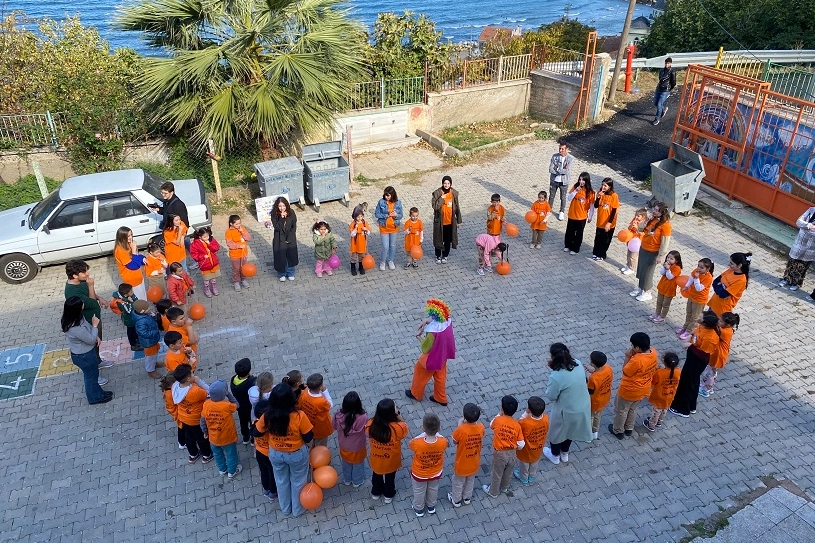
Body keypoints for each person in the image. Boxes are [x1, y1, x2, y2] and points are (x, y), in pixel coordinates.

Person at [253, 383, 313, 517]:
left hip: (275, 453)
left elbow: (256, 432)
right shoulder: (299, 416)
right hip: (297, 454)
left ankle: (285, 509)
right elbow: (309, 437)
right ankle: (298, 510)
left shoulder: (267, 416)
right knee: (298, 481)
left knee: (281, 480)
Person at [542, 343, 592, 463]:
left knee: (557, 433)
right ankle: (565, 453)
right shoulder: (578, 363)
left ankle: (555, 456)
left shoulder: (556, 375)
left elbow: (551, 396)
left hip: (566, 410)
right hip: (582, 406)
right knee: (570, 431)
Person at [61, 296, 113, 404]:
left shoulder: (76, 317)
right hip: (84, 356)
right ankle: (94, 398)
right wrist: (95, 326)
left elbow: (87, 327)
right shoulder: (75, 328)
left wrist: (95, 335)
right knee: (91, 377)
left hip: (85, 354)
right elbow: (89, 340)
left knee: (92, 375)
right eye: (81, 304)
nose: (84, 304)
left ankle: (99, 393)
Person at [406, 299, 456, 406]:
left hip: (432, 358)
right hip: (443, 355)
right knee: (440, 375)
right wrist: (427, 321)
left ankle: (416, 394)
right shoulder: (447, 321)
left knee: (419, 372)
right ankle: (441, 398)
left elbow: (426, 348)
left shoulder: (432, 332)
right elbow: (438, 325)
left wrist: (418, 336)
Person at [670, 312, 721, 417]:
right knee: (693, 381)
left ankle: (683, 409)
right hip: (692, 357)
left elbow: (703, 354)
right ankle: (692, 406)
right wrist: (690, 337)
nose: (698, 318)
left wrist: (690, 345)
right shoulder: (702, 327)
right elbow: (695, 333)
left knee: (687, 383)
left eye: (700, 317)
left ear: (706, 323)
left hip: (697, 361)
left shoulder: (711, 337)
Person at [65, 260, 111, 374]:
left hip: (94, 318)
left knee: (97, 343)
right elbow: (91, 303)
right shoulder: (72, 292)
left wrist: (100, 298)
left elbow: (91, 295)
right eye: (84, 272)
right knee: (92, 345)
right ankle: (94, 373)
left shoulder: (81, 282)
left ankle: (98, 361)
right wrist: (91, 285)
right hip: (89, 322)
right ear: (75, 276)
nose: (87, 274)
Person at [609, 332, 658, 439]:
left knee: (621, 410)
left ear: (638, 348)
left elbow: (626, 371)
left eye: (632, 345)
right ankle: (629, 428)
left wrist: (627, 356)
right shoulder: (653, 352)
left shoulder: (637, 360)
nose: (631, 347)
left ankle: (618, 430)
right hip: (643, 389)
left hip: (629, 390)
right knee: (633, 409)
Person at [366, 398, 409, 503]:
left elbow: (367, 434)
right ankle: (388, 495)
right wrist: (398, 414)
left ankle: (376, 492)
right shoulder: (398, 427)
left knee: (376, 475)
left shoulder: (371, 424)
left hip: (376, 458)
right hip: (391, 459)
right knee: (390, 477)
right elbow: (405, 427)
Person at [481, 395, 523, 498]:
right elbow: (521, 444)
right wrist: (515, 447)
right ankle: (505, 487)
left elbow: (491, 425)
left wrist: (499, 414)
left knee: (497, 473)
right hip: (512, 453)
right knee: (508, 472)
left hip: (499, 453)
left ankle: (493, 492)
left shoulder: (498, 420)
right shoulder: (517, 425)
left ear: (502, 409)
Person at [630, 202, 672, 302]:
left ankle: (647, 292)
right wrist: (646, 221)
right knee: (641, 269)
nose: (654, 211)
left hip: (653, 251)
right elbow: (641, 229)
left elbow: (665, 242)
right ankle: (640, 287)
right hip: (644, 247)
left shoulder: (666, 225)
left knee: (648, 272)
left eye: (657, 210)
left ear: (662, 213)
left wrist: (660, 255)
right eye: (654, 208)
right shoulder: (652, 219)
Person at [172, 363, 213, 464]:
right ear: (188, 379)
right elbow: (210, 392)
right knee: (201, 438)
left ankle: (193, 454)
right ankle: (206, 455)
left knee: (189, 436)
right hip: (196, 420)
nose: (194, 374)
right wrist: (199, 381)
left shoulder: (175, 386)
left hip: (183, 417)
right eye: (192, 374)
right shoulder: (195, 391)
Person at [201, 380, 242, 479]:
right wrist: (229, 395)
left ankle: (222, 470)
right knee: (231, 455)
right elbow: (237, 405)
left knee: (217, 454)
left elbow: (202, 421)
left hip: (213, 438)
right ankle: (232, 471)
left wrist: (205, 432)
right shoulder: (226, 405)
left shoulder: (206, 404)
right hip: (227, 437)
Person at [148, 181, 194, 269]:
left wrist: (182, 234)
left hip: (178, 232)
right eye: (162, 193)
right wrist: (158, 209)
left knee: (186, 246)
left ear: (172, 192)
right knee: (186, 246)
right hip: (171, 230)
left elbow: (184, 221)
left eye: (165, 193)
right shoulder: (167, 200)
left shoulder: (178, 204)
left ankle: (197, 259)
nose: (163, 195)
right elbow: (167, 212)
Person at [409, 413, 447, 517]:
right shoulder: (443, 441)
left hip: (419, 473)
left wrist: (421, 436)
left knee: (419, 491)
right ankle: (431, 506)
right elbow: (446, 444)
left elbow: (410, 445)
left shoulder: (417, 443)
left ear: (423, 428)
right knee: (433, 489)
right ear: (439, 428)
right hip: (435, 472)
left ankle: (419, 508)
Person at [448, 403, 484, 508]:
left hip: (462, 464)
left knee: (458, 482)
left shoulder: (461, 429)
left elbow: (455, 441)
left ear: (464, 417)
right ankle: (467, 498)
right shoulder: (481, 427)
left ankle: (456, 500)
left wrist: (460, 424)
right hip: (474, 462)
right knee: (470, 481)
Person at [333, 391, 369, 488]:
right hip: (358, 447)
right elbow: (367, 432)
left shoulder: (338, 414)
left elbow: (334, 426)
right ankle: (357, 481)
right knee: (358, 464)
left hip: (344, 445)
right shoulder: (363, 417)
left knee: (346, 462)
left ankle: (347, 479)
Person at [699, 312, 740, 397]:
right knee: (712, 372)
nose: (718, 322)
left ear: (728, 324)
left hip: (718, 355)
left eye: (720, 321)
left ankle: (705, 390)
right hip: (719, 354)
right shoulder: (728, 329)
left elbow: (713, 328)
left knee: (709, 373)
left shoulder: (724, 332)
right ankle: (709, 387)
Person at [514, 396, 549, 485]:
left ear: (529, 409)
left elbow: (518, 424)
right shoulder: (545, 418)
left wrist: (526, 413)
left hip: (526, 450)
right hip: (538, 448)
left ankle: (524, 477)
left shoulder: (525, 422)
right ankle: (532, 476)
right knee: (534, 463)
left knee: (524, 465)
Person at [779, 207, 815, 292]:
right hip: (799, 244)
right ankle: (786, 279)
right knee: (791, 263)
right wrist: (808, 225)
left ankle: (796, 283)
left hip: (810, 248)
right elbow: (798, 222)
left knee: (802, 267)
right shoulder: (811, 210)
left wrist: (805, 227)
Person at [677, 258, 714, 340]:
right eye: (698, 266)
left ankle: (689, 331)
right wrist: (687, 286)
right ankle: (685, 327)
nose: (698, 269)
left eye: (701, 268)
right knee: (689, 313)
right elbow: (691, 279)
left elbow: (699, 288)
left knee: (695, 317)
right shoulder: (696, 271)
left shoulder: (708, 278)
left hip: (699, 300)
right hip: (691, 296)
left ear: (707, 269)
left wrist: (697, 279)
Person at [644, 352, 681, 431]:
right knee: (664, 409)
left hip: (659, 395)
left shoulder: (660, 373)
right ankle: (659, 422)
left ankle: (651, 424)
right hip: (670, 394)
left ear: (664, 362)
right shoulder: (678, 372)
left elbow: (653, 382)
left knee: (656, 410)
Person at [296, 373, 334, 448]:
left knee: (312, 441)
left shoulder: (304, 393)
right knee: (320, 445)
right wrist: (325, 391)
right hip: (320, 428)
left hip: (309, 423)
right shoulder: (321, 402)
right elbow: (330, 405)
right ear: (320, 387)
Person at [431, 175, 463, 264]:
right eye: (445, 183)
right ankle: (438, 255)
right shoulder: (437, 193)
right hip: (440, 222)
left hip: (450, 222)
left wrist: (459, 221)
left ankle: (445, 255)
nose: (446, 185)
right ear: (442, 183)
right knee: (438, 239)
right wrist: (442, 198)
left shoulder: (453, 193)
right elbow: (435, 206)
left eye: (448, 183)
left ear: (450, 184)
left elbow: (457, 208)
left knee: (448, 240)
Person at [563, 172, 595, 255]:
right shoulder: (575, 187)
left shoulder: (590, 192)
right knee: (570, 231)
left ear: (586, 181)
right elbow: (569, 198)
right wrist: (575, 191)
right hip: (572, 214)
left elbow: (592, 206)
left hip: (582, 216)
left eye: (583, 180)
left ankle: (576, 248)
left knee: (579, 233)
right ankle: (568, 245)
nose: (581, 181)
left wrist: (590, 216)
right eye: (580, 179)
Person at [252, 399, 277, 500]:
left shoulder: (254, 423)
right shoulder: (269, 426)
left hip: (259, 452)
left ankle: (266, 489)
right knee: (272, 473)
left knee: (263, 471)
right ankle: (273, 492)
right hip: (269, 453)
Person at [585, 351, 613, 440]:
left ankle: (588, 433)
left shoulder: (593, 378)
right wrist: (593, 371)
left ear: (592, 363)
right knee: (598, 416)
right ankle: (595, 431)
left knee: (591, 416)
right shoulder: (608, 368)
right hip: (604, 397)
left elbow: (590, 391)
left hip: (595, 401)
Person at [590, 178, 620, 261]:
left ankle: (602, 254)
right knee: (598, 238)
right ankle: (595, 253)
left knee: (605, 240)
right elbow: (596, 206)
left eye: (605, 186)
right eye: (602, 184)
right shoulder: (600, 193)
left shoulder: (614, 196)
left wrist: (609, 223)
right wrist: (598, 197)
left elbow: (614, 210)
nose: (603, 187)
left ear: (610, 187)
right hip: (600, 221)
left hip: (608, 223)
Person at [374, 186, 404, 271]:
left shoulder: (398, 203)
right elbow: (376, 214)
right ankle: (382, 262)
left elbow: (401, 215)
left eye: (388, 195)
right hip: (384, 227)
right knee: (385, 246)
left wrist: (396, 215)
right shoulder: (381, 202)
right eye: (385, 195)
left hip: (394, 227)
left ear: (393, 195)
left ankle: (391, 260)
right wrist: (385, 215)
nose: (386, 197)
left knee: (392, 245)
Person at [114, 226, 147, 300]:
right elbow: (132, 266)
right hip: (132, 280)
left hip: (138, 276)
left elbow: (137, 257)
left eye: (131, 235)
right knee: (139, 301)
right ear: (121, 237)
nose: (130, 237)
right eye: (128, 236)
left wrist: (143, 259)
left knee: (143, 298)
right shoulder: (120, 250)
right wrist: (134, 251)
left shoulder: (130, 244)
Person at [270, 196, 298, 282]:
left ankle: (290, 272)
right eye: (280, 206)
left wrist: (290, 237)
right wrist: (281, 218)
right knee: (281, 256)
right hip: (279, 238)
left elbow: (294, 226)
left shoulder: (291, 212)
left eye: (284, 206)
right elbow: (277, 227)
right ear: (277, 206)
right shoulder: (274, 214)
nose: (282, 208)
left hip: (290, 237)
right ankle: (281, 273)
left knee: (290, 255)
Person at [651, 251, 683, 324]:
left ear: (676, 260)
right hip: (662, 286)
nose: (669, 259)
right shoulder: (667, 265)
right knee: (659, 302)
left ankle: (662, 317)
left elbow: (670, 277)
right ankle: (657, 313)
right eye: (668, 257)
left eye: (671, 259)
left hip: (669, 289)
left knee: (665, 304)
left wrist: (668, 269)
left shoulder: (677, 268)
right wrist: (664, 267)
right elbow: (662, 273)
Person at [230, 358, 256, 445]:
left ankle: (245, 437)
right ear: (249, 372)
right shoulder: (251, 382)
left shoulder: (233, 380)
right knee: (253, 422)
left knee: (243, 422)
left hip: (240, 407)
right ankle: (253, 438)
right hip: (250, 407)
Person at [132, 300, 162, 379]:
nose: (149, 309)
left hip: (152, 340)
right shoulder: (141, 321)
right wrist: (156, 331)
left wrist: (154, 316)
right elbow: (144, 333)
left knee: (154, 353)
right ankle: (150, 370)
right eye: (147, 308)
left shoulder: (144, 315)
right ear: (142, 311)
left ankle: (154, 363)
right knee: (150, 357)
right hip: (148, 342)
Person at [189, 227, 221, 297]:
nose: (207, 238)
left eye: (207, 236)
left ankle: (214, 287)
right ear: (200, 237)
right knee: (206, 279)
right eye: (204, 237)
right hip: (205, 265)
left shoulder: (211, 239)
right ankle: (207, 289)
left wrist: (209, 244)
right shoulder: (195, 244)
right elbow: (194, 255)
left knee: (213, 278)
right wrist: (202, 257)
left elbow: (216, 248)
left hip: (213, 263)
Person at [224, 214, 253, 291]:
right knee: (236, 268)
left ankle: (243, 279)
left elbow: (248, 238)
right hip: (235, 255)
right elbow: (229, 244)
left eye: (239, 223)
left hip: (243, 253)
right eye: (236, 224)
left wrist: (242, 232)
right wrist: (239, 245)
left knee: (243, 267)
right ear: (231, 224)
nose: (238, 225)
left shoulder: (242, 228)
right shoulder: (228, 232)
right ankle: (236, 281)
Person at [111, 283, 140, 351]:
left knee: (135, 330)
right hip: (129, 320)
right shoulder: (121, 302)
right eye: (131, 291)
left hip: (133, 318)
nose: (133, 292)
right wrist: (132, 302)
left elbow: (136, 300)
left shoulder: (130, 296)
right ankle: (133, 345)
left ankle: (137, 340)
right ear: (125, 295)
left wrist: (132, 298)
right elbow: (129, 310)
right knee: (131, 332)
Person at [548, 142, 574, 221]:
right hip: (554, 180)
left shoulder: (570, 158)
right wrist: (561, 170)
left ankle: (561, 212)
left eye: (562, 149)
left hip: (564, 182)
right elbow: (550, 169)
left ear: (567, 149)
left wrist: (557, 168)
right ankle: (548, 210)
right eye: (560, 148)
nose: (560, 150)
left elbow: (567, 171)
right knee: (551, 196)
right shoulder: (554, 156)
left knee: (563, 197)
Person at [160, 373, 185, 451]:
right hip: (177, 411)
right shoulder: (171, 393)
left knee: (181, 426)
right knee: (182, 426)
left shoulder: (167, 390)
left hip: (174, 410)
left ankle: (182, 442)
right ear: (172, 384)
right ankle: (182, 443)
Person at [620, 208, 648, 275]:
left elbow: (643, 233)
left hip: (637, 242)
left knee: (633, 256)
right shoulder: (634, 220)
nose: (636, 217)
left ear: (643, 217)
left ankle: (631, 268)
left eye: (638, 216)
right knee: (629, 254)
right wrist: (631, 226)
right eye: (636, 215)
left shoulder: (644, 224)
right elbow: (629, 228)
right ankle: (627, 265)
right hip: (631, 239)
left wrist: (636, 228)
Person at [652, 57, 676, 126]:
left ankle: (657, 118)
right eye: (666, 63)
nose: (666, 65)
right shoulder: (661, 70)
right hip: (659, 88)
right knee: (656, 103)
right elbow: (660, 79)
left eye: (668, 63)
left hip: (665, 90)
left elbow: (673, 82)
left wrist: (669, 89)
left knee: (659, 104)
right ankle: (663, 110)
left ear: (671, 64)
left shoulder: (672, 72)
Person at [349, 205, 371, 276]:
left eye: (361, 216)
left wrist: (366, 230)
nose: (360, 218)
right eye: (358, 217)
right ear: (354, 217)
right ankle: (353, 268)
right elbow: (352, 234)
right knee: (354, 257)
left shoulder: (364, 223)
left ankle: (361, 267)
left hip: (362, 243)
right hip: (355, 244)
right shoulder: (353, 224)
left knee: (362, 256)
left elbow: (368, 233)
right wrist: (355, 229)